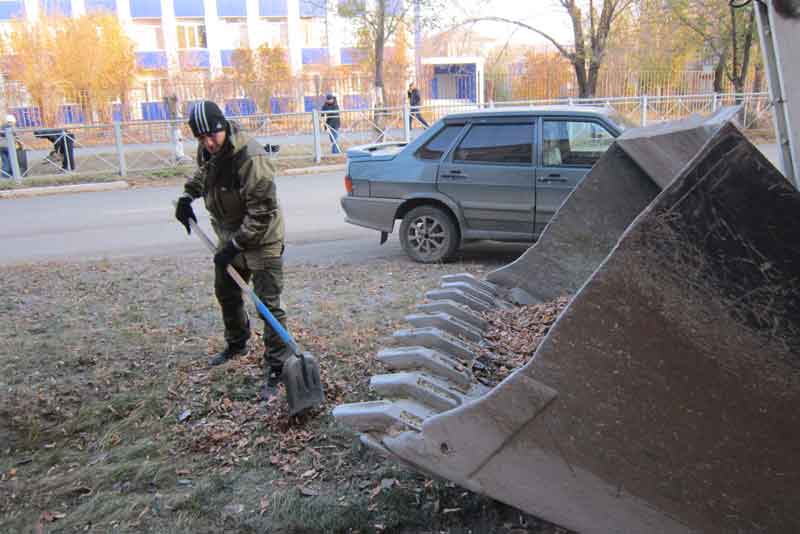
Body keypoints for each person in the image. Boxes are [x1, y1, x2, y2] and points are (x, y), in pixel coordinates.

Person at [174, 100, 289, 400]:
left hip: (261, 239)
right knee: (225, 291)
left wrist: (236, 245)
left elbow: (262, 211)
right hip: (230, 238)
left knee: (268, 305)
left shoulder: (250, 157)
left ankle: (278, 365)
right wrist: (187, 197)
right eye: (200, 138)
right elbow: (205, 174)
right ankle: (237, 342)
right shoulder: (209, 151)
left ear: (223, 126)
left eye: (212, 135)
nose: (208, 143)